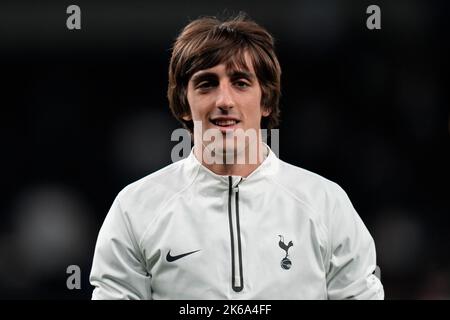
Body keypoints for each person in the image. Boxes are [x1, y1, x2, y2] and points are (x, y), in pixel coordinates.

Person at [89, 13, 384, 300]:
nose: (224, 101)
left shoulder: (326, 204)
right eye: (207, 83)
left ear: (266, 99)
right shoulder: (135, 209)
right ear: (183, 102)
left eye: (241, 82)